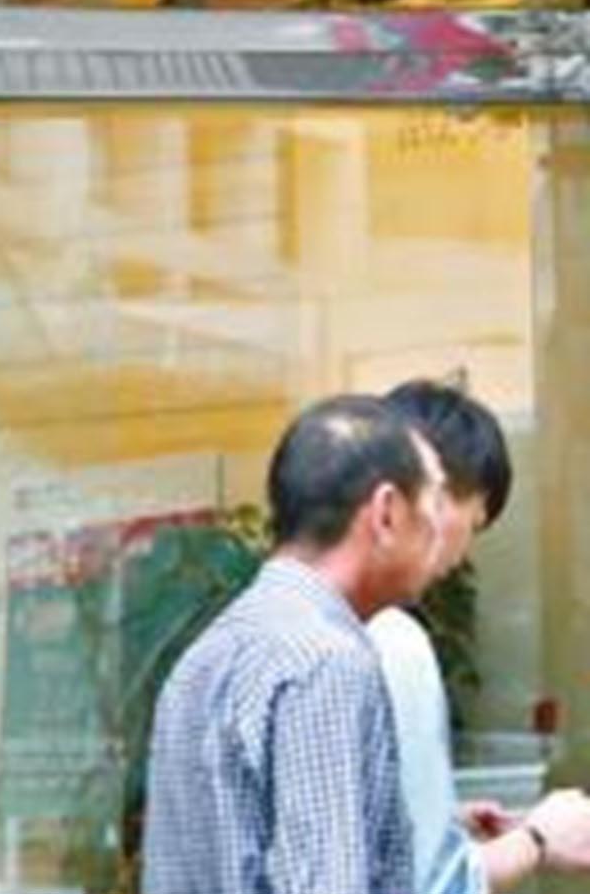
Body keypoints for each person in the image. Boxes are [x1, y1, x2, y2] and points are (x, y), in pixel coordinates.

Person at [142, 394, 449, 894]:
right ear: (386, 513)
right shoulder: (328, 662)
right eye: (435, 500)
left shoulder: (207, 652)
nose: (442, 529)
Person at [373, 378, 590, 891]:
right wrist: (537, 839)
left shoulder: (265, 629)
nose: (460, 555)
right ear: (430, 496)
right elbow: (428, 884)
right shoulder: (392, 641)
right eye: (473, 524)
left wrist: (440, 818)